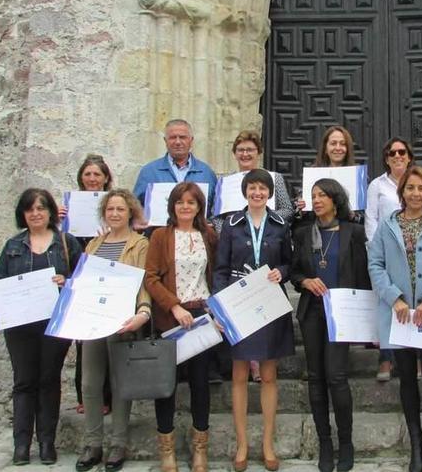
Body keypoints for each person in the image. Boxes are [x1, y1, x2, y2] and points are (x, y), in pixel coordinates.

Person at [368, 165, 422, 472]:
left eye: (421, 188)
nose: (416, 193)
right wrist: (395, 297)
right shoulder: (386, 226)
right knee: (406, 378)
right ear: (401, 191)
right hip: (400, 315)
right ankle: (416, 447)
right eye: (410, 188)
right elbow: (375, 265)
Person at [0, 188, 83, 466]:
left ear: (51, 212)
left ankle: (46, 442)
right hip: (19, 326)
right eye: (30, 209)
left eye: (41, 208)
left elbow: (82, 280)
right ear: (23, 214)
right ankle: (21, 444)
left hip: (54, 323)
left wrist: (66, 281)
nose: (36, 214)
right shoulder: (13, 246)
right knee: (23, 382)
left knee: (48, 380)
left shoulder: (66, 243)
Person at [214, 169, 294, 472]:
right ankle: (243, 444)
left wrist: (282, 273)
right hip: (240, 303)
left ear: (270, 193)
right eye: (252, 188)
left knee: (270, 375)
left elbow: (289, 261)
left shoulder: (279, 224)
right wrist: (221, 306)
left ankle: (268, 444)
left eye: (263, 188)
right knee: (239, 375)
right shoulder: (232, 225)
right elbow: (221, 268)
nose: (257, 193)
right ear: (245, 191)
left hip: (270, 301)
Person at [290, 179, 371, 472]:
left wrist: (366, 320)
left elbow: (363, 275)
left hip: (344, 314)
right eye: (313, 195)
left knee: (336, 376)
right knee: (316, 377)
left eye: (322, 194)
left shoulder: (354, 232)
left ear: (335, 199)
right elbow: (295, 271)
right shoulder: (302, 233)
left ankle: (345, 442)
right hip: (313, 313)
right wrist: (305, 281)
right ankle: (325, 443)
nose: (317, 199)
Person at [75, 189, 152, 472]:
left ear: (130, 212)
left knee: (121, 384)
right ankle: (92, 443)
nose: (115, 214)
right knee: (90, 384)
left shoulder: (140, 245)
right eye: (110, 209)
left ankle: (118, 443)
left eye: (121, 209)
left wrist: (143, 312)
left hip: (123, 322)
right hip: (92, 322)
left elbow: (145, 282)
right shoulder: (93, 245)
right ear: (104, 213)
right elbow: (82, 283)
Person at [143, 182, 219, 472]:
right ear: (172, 206)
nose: (185, 206)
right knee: (167, 386)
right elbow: (150, 277)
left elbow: (215, 274)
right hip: (169, 319)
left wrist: (215, 309)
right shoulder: (160, 236)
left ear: (199, 206)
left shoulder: (208, 235)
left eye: (191, 202)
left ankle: (201, 449)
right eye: (180, 202)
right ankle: (167, 451)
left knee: (201, 384)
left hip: (201, 317)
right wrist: (173, 305)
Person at [64, 154, 115, 417]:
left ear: (106, 178)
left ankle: (107, 396)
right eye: (88, 174)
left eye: (97, 174)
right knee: (83, 340)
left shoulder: (114, 205)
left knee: (107, 339)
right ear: (81, 178)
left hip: (107, 275)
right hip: (80, 274)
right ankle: (85, 396)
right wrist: (58, 216)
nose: (93, 179)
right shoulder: (70, 208)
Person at [364, 137, 415, 381]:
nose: (397, 156)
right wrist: (376, 250)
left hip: (414, 251)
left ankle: (415, 357)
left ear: (409, 156)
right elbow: (371, 218)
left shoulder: (417, 182)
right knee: (386, 303)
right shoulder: (377, 185)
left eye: (402, 152)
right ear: (386, 158)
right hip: (384, 252)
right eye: (392, 153)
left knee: (413, 301)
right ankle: (386, 357)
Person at [132, 119, 218, 213]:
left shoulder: (206, 173)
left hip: (197, 227)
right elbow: (135, 206)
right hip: (158, 227)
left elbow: (215, 208)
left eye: (182, 137)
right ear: (165, 140)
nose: (177, 142)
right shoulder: (149, 172)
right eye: (173, 137)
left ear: (191, 140)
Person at [295, 126, 364, 228]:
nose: (338, 148)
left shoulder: (359, 175)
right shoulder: (313, 173)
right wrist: (301, 207)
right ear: (326, 149)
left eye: (343, 144)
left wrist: (352, 215)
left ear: (348, 148)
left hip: (348, 233)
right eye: (333, 143)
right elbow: (298, 212)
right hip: (317, 232)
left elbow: (365, 216)